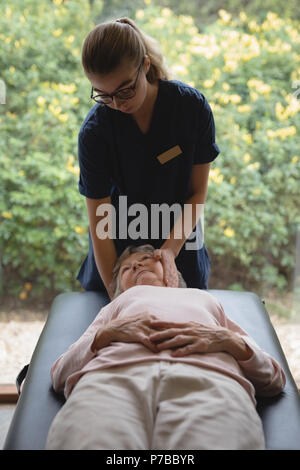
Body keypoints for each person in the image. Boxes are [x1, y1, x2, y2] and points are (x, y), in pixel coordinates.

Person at [46, 244, 286, 450]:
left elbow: (273, 377)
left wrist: (227, 339)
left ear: (171, 271)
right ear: (119, 290)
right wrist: (105, 334)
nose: (137, 266)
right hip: (112, 379)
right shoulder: (116, 306)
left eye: (145, 260)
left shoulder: (206, 300)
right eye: (127, 269)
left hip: (208, 380)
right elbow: (60, 373)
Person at [76, 17, 221, 300]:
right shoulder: (95, 132)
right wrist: (117, 296)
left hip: (178, 243)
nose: (117, 104)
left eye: (125, 89)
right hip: (118, 260)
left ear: (144, 65)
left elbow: (196, 192)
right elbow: (101, 224)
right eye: (103, 96)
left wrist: (168, 251)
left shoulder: (191, 109)